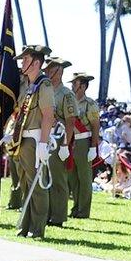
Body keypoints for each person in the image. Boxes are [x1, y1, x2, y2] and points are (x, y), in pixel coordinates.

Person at [9, 45, 55, 239]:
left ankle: (38, 229)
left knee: (37, 185)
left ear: (37, 63)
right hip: (22, 138)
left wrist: (43, 144)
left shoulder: (44, 85)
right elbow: (20, 113)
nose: (22, 63)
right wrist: (10, 132)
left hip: (35, 139)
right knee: (26, 184)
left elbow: (48, 115)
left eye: (26, 60)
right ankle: (25, 226)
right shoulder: (28, 86)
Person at [44, 56, 76, 227]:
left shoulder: (66, 94)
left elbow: (70, 121)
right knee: (45, 176)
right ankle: (46, 212)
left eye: (51, 69)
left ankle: (58, 216)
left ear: (59, 71)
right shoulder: (46, 89)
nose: (47, 72)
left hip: (58, 138)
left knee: (57, 179)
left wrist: (65, 145)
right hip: (45, 136)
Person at [68, 72, 101, 219]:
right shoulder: (69, 101)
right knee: (72, 178)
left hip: (83, 141)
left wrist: (93, 147)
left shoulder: (90, 104)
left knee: (84, 179)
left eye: (75, 83)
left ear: (82, 86)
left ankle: (83, 211)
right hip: (70, 141)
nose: (72, 86)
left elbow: (95, 126)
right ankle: (75, 208)